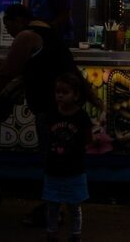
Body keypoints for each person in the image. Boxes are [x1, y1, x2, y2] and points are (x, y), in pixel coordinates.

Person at [0, 4, 77, 228]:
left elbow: (7, 72)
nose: (9, 33)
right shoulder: (47, 31)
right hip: (64, 107)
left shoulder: (28, 36)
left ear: (18, 20)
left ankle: (52, 210)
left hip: (49, 107)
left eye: (9, 27)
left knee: (50, 159)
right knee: (56, 158)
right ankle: (57, 207)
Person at [38, 70, 100, 242]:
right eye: (57, 92)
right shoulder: (51, 115)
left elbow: (87, 138)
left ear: (76, 95)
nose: (59, 96)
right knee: (52, 206)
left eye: (64, 92)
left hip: (74, 169)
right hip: (54, 169)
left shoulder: (81, 117)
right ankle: (52, 233)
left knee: (74, 206)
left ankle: (75, 234)